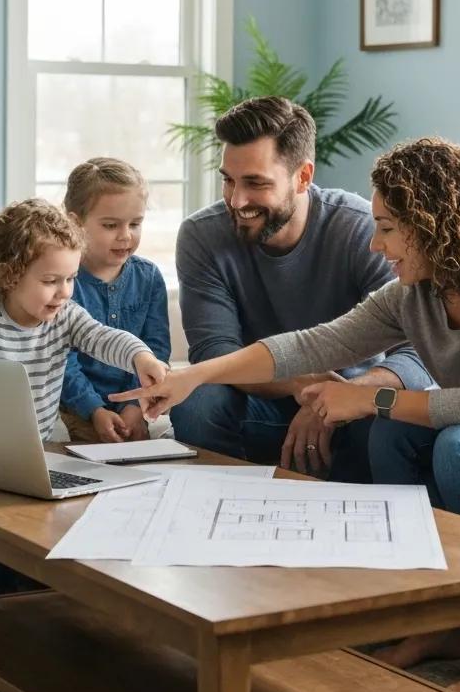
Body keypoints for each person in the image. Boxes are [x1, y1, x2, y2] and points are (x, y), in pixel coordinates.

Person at [112, 137, 460, 692]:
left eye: (388, 228)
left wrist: (366, 399)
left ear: (434, 223)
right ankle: (436, 619)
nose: (376, 244)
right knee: (398, 433)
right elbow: (310, 345)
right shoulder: (415, 293)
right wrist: (193, 376)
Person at [0, 198, 166, 665]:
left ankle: (2, 602)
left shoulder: (66, 319)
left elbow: (104, 338)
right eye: (51, 280)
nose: (63, 293)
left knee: (17, 530)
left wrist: (141, 357)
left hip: (31, 453)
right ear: (9, 274)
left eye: (70, 279)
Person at [170, 95, 430, 481]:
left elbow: (418, 351)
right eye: (228, 180)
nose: (236, 200)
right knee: (197, 401)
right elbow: (215, 352)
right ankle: (218, 503)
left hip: (352, 403)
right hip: (258, 400)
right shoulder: (201, 236)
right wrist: (303, 384)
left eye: (255, 183)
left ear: (303, 177)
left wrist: (346, 396)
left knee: (392, 420)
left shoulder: (363, 231)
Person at [59, 158, 170, 444]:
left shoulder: (148, 277)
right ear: (75, 223)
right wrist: (94, 410)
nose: (125, 236)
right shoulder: (61, 282)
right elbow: (61, 361)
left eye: (135, 223)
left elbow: (156, 348)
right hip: (76, 407)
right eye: (110, 225)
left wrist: (134, 406)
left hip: (136, 404)